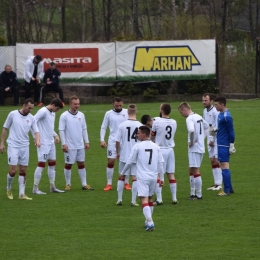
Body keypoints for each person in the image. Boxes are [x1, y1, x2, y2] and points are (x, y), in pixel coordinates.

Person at [120, 126, 164, 231]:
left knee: (143, 199)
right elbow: (160, 163)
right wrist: (161, 178)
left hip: (142, 177)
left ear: (144, 134)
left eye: (138, 133)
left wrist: (122, 173)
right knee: (150, 199)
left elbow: (130, 161)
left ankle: (150, 222)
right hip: (153, 177)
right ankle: (148, 220)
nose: (137, 135)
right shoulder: (156, 146)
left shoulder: (137, 146)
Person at [0, 99, 40, 200]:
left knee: (23, 170)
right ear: (24, 105)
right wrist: (2, 143)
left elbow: (36, 131)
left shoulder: (31, 118)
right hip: (13, 145)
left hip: (25, 146)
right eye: (29, 108)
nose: (30, 110)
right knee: (13, 171)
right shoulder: (13, 114)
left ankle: (22, 194)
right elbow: (5, 128)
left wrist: (38, 140)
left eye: (32, 108)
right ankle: (8, 188)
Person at [59, 95, 93, 190]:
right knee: (68, 164)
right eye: (75, 104)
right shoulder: (64, 116)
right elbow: (61, 130)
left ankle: (84, 184)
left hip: (80, 145)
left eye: (78, 104)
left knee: (81, 163)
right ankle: (68, 184)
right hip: (70, 146)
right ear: (70, 104)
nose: (77, 105)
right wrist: (64, 143)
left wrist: (87, 142)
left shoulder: (81, 115)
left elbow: (84, 128)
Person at [32, 98, 64, 194]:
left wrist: (56, 135)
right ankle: (35, 188)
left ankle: (52, 186)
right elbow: (32, 122)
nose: (57, 111)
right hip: (43, 143)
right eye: (57, 108)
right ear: (53, 105)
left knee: (52, 164)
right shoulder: (42, 111)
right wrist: (35, 138)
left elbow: (49, 127)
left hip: (51, 143)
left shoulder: (53, 113)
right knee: (41, 164)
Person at [178, 102, 209, 200]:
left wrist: (191, 142)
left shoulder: (189, 118)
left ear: (184, 110)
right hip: (200, 147)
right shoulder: (198, 116)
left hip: (194, 148)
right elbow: (207, 127)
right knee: (191, 168)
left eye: (180, 112)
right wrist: (201, 138)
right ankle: (192, 193)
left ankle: (198, 195)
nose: (181, 115)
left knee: (195, 170)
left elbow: (191, 130)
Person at [115, 104, 142, 206]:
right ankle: (133, 201)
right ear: (136, 112)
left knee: (121, 176)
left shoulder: (122, 125)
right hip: (136, 156)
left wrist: (118, 152)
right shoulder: (139, 125)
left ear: (127, 112)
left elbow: (117, 141)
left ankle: (119, 199)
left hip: (124, 155)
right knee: (135, 177)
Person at [100, 97, 129, 191]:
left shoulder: (127, 112)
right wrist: (102, 139)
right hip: (112, 141)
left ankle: (126, 182)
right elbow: (103, 127)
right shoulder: (108, 114)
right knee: (111, 161)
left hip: (125, 141)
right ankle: (109, 184)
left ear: (123, 104)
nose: (119, 107)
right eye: (117, 105)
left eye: (120, 105)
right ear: (113, 104)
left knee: (126, 162)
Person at [151, 103, 178, 205]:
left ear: (162, 111)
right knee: (171, 174)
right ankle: (174, 198)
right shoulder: (174, 122)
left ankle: (159, 199)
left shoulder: (157, 122)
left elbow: (152, 137)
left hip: (160, 150)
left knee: (158, 175)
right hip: (170, 149)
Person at [214, 96, 236, 196]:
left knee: (224, 166)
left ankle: (226, 190)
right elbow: (222, 129)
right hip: (220, 143)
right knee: (223, 165)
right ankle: (230, 188)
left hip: (224, 144)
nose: (215, 106)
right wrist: (215, 130)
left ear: (222, 104)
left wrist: (231, 145)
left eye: (216, 104)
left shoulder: (227, 117)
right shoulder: (220, 114)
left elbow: (231, 132)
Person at [202, 93, 222, 190]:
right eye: (203, 100)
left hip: (215, 138)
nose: (204, 102)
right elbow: (206, 127)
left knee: (217, 160)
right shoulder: (204, 111)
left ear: (211, 101)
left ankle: (219, 183)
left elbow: (216, 127)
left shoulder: (215, 112)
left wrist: (212, 139)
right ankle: (216, 183)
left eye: (206, 100)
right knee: (212, 161)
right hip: (209, 138)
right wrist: (203, 138)